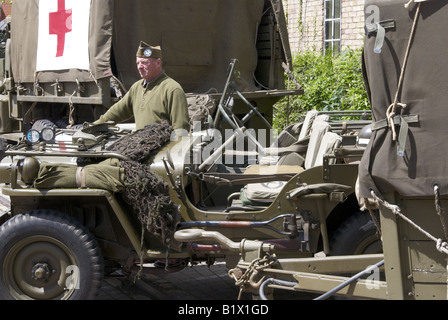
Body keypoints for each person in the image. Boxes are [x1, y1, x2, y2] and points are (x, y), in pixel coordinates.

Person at [94, 41, 190, 132]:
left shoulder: (172, 89)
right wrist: (95, 126)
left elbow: (180, 129)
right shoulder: (137, 88)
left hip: (163, 147)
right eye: (138, 63)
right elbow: (117, 112)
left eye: (144, 62)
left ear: (158, 63)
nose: (140, 67)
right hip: (142, 146)